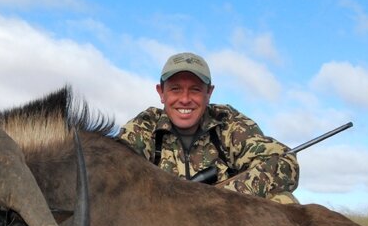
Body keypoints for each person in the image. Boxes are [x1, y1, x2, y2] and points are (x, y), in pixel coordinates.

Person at [117, 52, 299, 204]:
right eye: (175, 89)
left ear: (209, 93)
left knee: (284, 201)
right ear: (161, 92)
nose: (185, 99)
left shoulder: (227, 122)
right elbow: (116, 176)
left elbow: (283, 163)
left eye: (195, 89)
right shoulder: (143, 127)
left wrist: (216, 199)